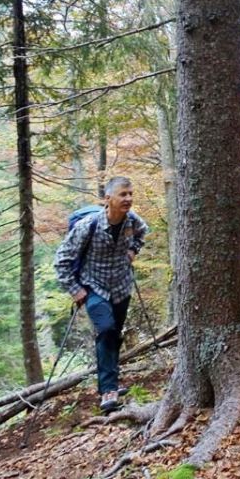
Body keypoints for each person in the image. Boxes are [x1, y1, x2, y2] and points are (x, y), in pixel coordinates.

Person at [54, 176, 149, 412]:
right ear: (108, 199)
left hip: (121, 286)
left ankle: (112, 383)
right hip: (93, 287)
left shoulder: (132, 221)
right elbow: (61, 261)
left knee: (113, 334)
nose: (128, 199)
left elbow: (143, 232)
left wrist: (132, 251)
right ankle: (107, 391)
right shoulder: (88, 226)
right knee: (105, 329)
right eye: (122, 195)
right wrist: (75, 290)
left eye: (130, 194)